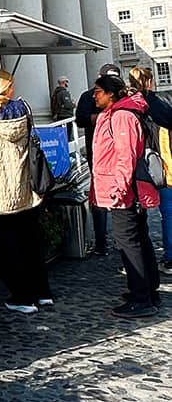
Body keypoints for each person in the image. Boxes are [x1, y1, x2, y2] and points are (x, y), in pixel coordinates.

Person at [0, 68, 52, 315]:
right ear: (9, 88)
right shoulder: (23, 110)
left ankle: (22, 297)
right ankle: (42, 292)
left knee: (8, 246)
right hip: (24, 187)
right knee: (31, 241)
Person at [91, 73, 160, 317]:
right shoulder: (119, 114)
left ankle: (142, 297)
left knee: (129, 242)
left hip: (125, 191)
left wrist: (119, 188)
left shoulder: (121, 116)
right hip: (126, 189)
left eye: (98, 91)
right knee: (138, 239)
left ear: (111, 94)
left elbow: (125, 156)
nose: (94, 95)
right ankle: (147, 291)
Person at [75, 62, 122, 256]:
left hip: (121, 155)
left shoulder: (125, 98)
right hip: (99, 156)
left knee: (124, 197)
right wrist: (104, 117)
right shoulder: (89, 96)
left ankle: (124, 240)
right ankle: (102, 242)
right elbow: (81, 118)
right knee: (99, 197)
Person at [128, 66, 172, 272]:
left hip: (150, 165)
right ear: (150, 82)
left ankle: (156, 260)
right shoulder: (159, 104)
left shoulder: (133, 107)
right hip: (161, 164)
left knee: (148, 215)